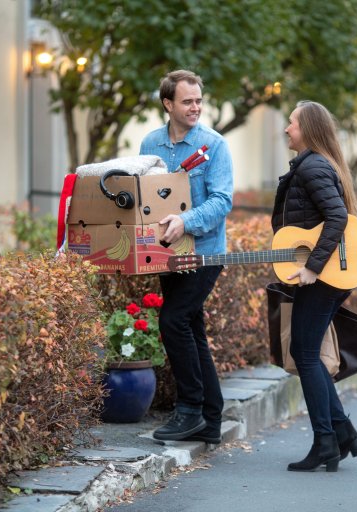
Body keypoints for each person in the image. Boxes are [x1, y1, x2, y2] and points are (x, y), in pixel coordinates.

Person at [139, 69, 234, 443]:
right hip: (167, 253)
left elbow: (222, 200)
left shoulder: (215, 145)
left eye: (198, 101)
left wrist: (186, 220)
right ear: (168, 104)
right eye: (187, 101)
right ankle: (211, 420)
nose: (195, 107)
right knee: (192, 329)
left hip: (205, 253)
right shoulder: (151, 144)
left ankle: (190, 410)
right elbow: (146, 197)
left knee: (174, 321)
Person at [270, 101, 357, 472]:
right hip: (325, 272)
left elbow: (337, 217)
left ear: (307, 128)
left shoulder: (313, 167)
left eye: (291, 123)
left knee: (306, 353)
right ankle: (340, 433)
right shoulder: (312, 165)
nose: (286, 129)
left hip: (324, 274)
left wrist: (312, 265)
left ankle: (327, 440)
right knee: (307, 352)